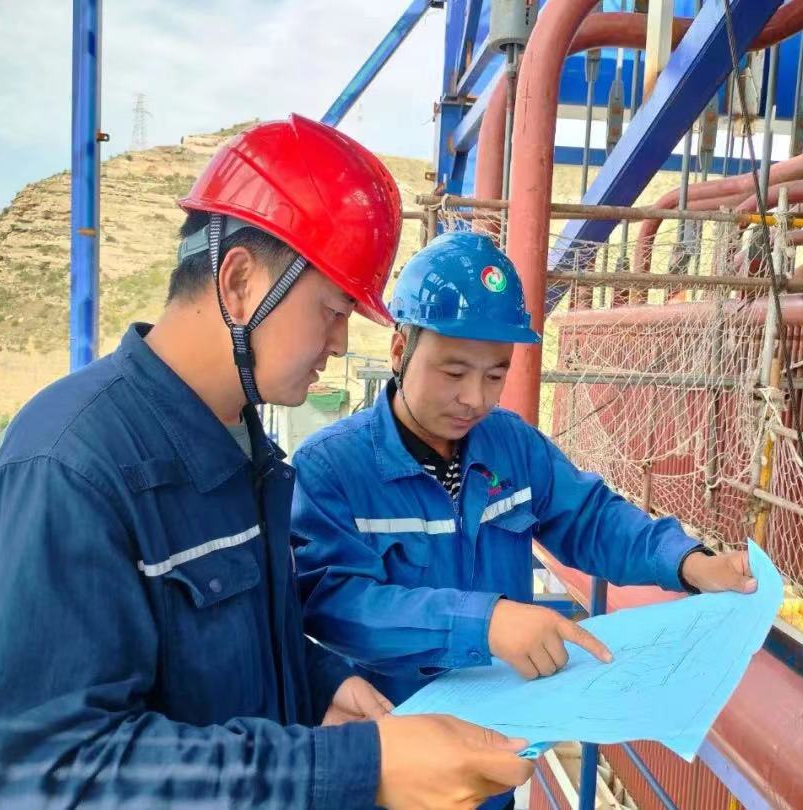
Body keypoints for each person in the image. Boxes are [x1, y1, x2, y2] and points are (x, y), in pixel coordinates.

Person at [0, 117, 533, 809]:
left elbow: (224, 651)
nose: (339, 341)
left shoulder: (239, 446)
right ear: (238, 282)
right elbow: (53, 775)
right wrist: (354, 767)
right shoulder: (67, 467)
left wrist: (318, 682)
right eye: (332, 310)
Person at [291, 230, 758, 708]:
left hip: (506, 725)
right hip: (395, 731)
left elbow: (592, 519)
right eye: (453, 373)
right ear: (399, 350)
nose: (475, 398)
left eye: (495, 375)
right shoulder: (332, 467)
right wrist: (483, 623)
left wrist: (688, 562)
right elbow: (335, 602)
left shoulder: (512, 446)